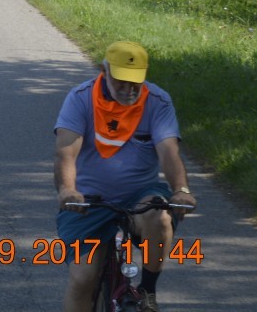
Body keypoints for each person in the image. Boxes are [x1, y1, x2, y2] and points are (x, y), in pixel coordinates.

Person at [55, 42, 197, 312]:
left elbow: (168, 152)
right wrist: (67, 190)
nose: (129, 89)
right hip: (87, 202)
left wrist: (181, 189)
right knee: (83, 279)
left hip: (139, 196)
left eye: (135, 81)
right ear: (104, 70)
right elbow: (66, 153)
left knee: (159, 215)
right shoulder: (80, 98)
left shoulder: (157, 101)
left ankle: (148, 291)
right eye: (121, 80)